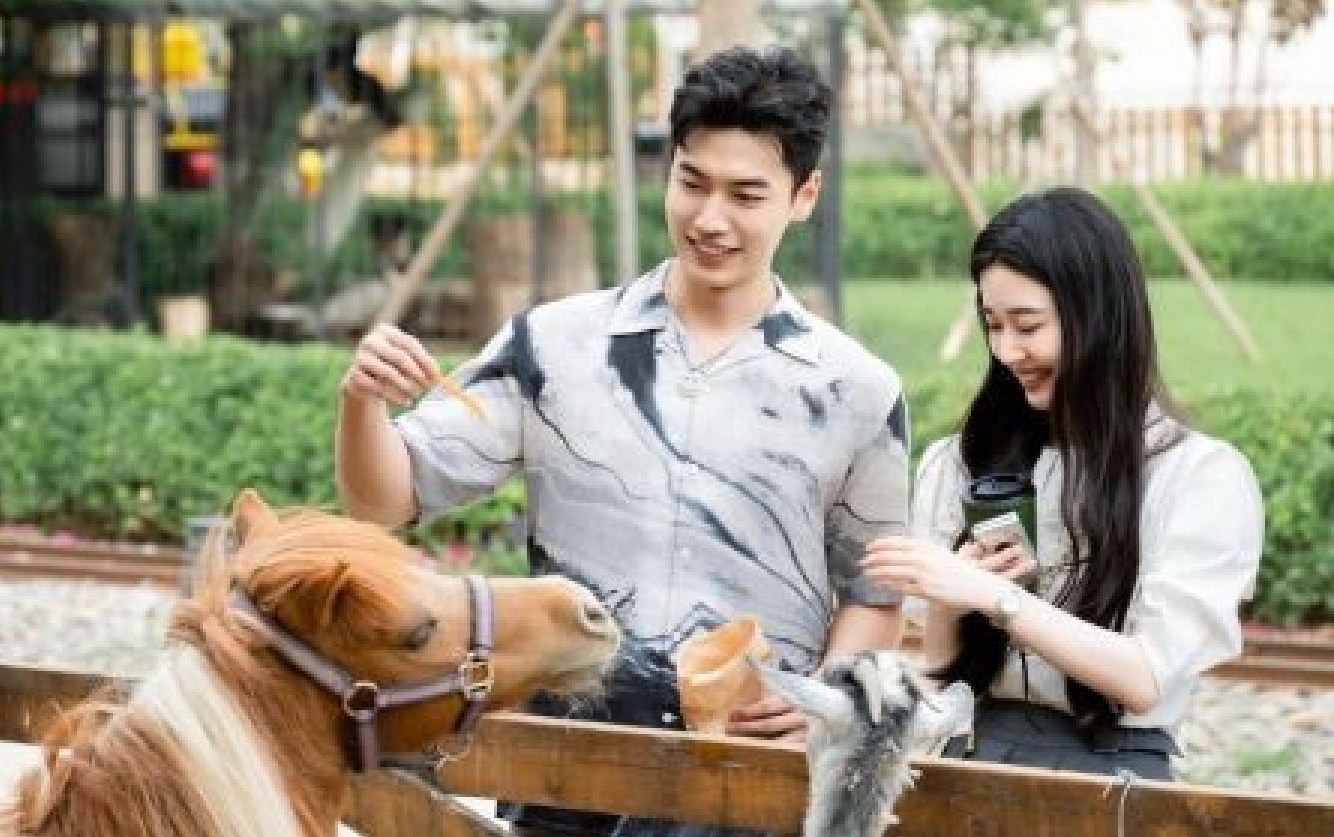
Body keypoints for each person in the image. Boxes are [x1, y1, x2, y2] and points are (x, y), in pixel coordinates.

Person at [337, 46, 910, 835]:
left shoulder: (858, 391)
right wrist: (362, 403)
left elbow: (876, 595)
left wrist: (827, 694)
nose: (710, 219)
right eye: (692, 182)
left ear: (804, 196)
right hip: (564, 776)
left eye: (747, 194)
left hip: (750, 788)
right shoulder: (554, 345)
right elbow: (386, 497)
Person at [862, 186, 1263, 780]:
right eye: (993, 325)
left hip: (1114, 775)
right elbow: (945, 670)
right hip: (973, 757)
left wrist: (997, 598)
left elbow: (1145, 679)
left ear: (1099, 317)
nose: (1007, 351)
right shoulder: (963, 460)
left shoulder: (1195, 476)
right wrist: (949, 600)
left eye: (1028, 325)